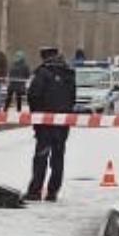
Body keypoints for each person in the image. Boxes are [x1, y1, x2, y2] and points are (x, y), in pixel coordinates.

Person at [26, 45, 77, 202]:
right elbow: (72, 97)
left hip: (45, 122)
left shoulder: (42, 73)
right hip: (62, 122)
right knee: (58, 157)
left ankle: (35, 191)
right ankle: (52, 192)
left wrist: (36, 115)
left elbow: (33, 95)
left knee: (41, 156)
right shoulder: (69, 73)